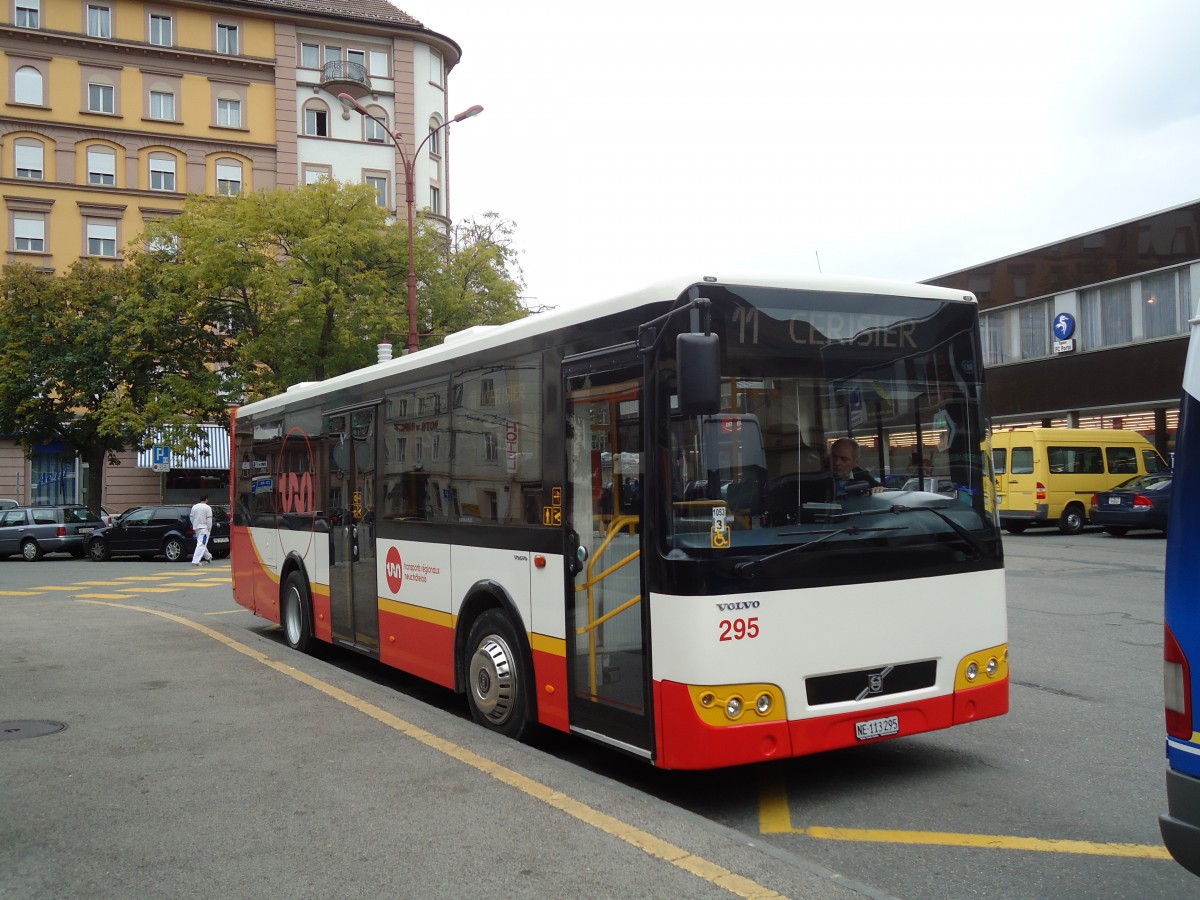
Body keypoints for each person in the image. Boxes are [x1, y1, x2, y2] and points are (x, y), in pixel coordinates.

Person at [190, 494, 214, 565]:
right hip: (204, 528)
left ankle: (208, 557)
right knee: (202, 544)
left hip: (197, 527)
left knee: (202, 543)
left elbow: (191, 517)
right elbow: (209, 519)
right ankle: (195, 561)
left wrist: (194, 524)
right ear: (206, 499)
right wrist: (209, 528)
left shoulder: (194, 507)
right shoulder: (207, 508)